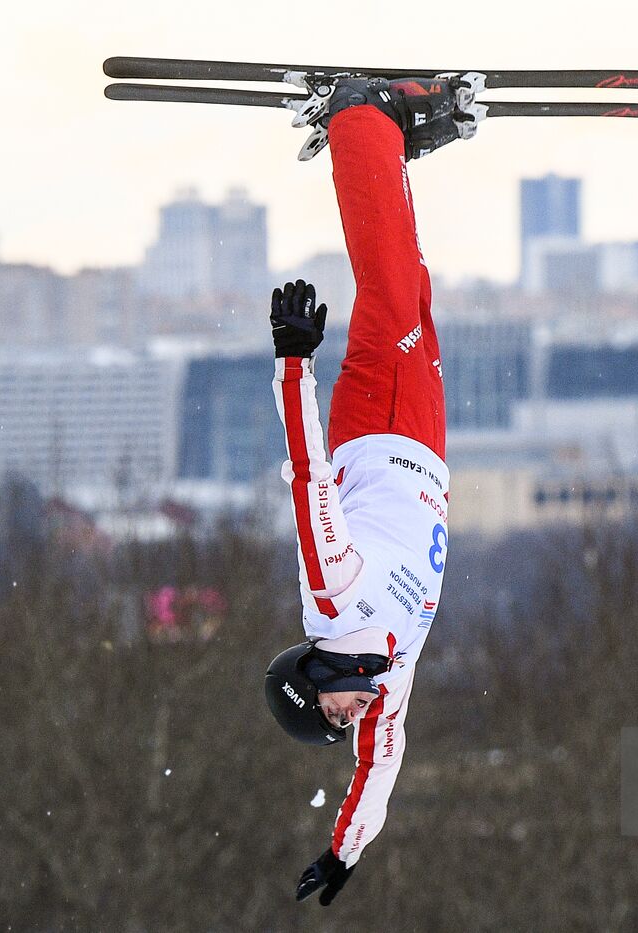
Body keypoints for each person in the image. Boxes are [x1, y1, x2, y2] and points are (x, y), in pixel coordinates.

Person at [260, 76, 464, 907]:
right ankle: (394, 140)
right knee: (411, 281)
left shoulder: (331, 593)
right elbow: (382, 766)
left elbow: (309, 474)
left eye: (330, 712)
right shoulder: (391, 671)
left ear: (312, 674)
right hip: (429, 441)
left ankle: (359, 117)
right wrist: (345, 852)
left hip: (376, 426)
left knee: (384, 283)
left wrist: (294, 360)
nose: (348, 720)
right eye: (340, 724)